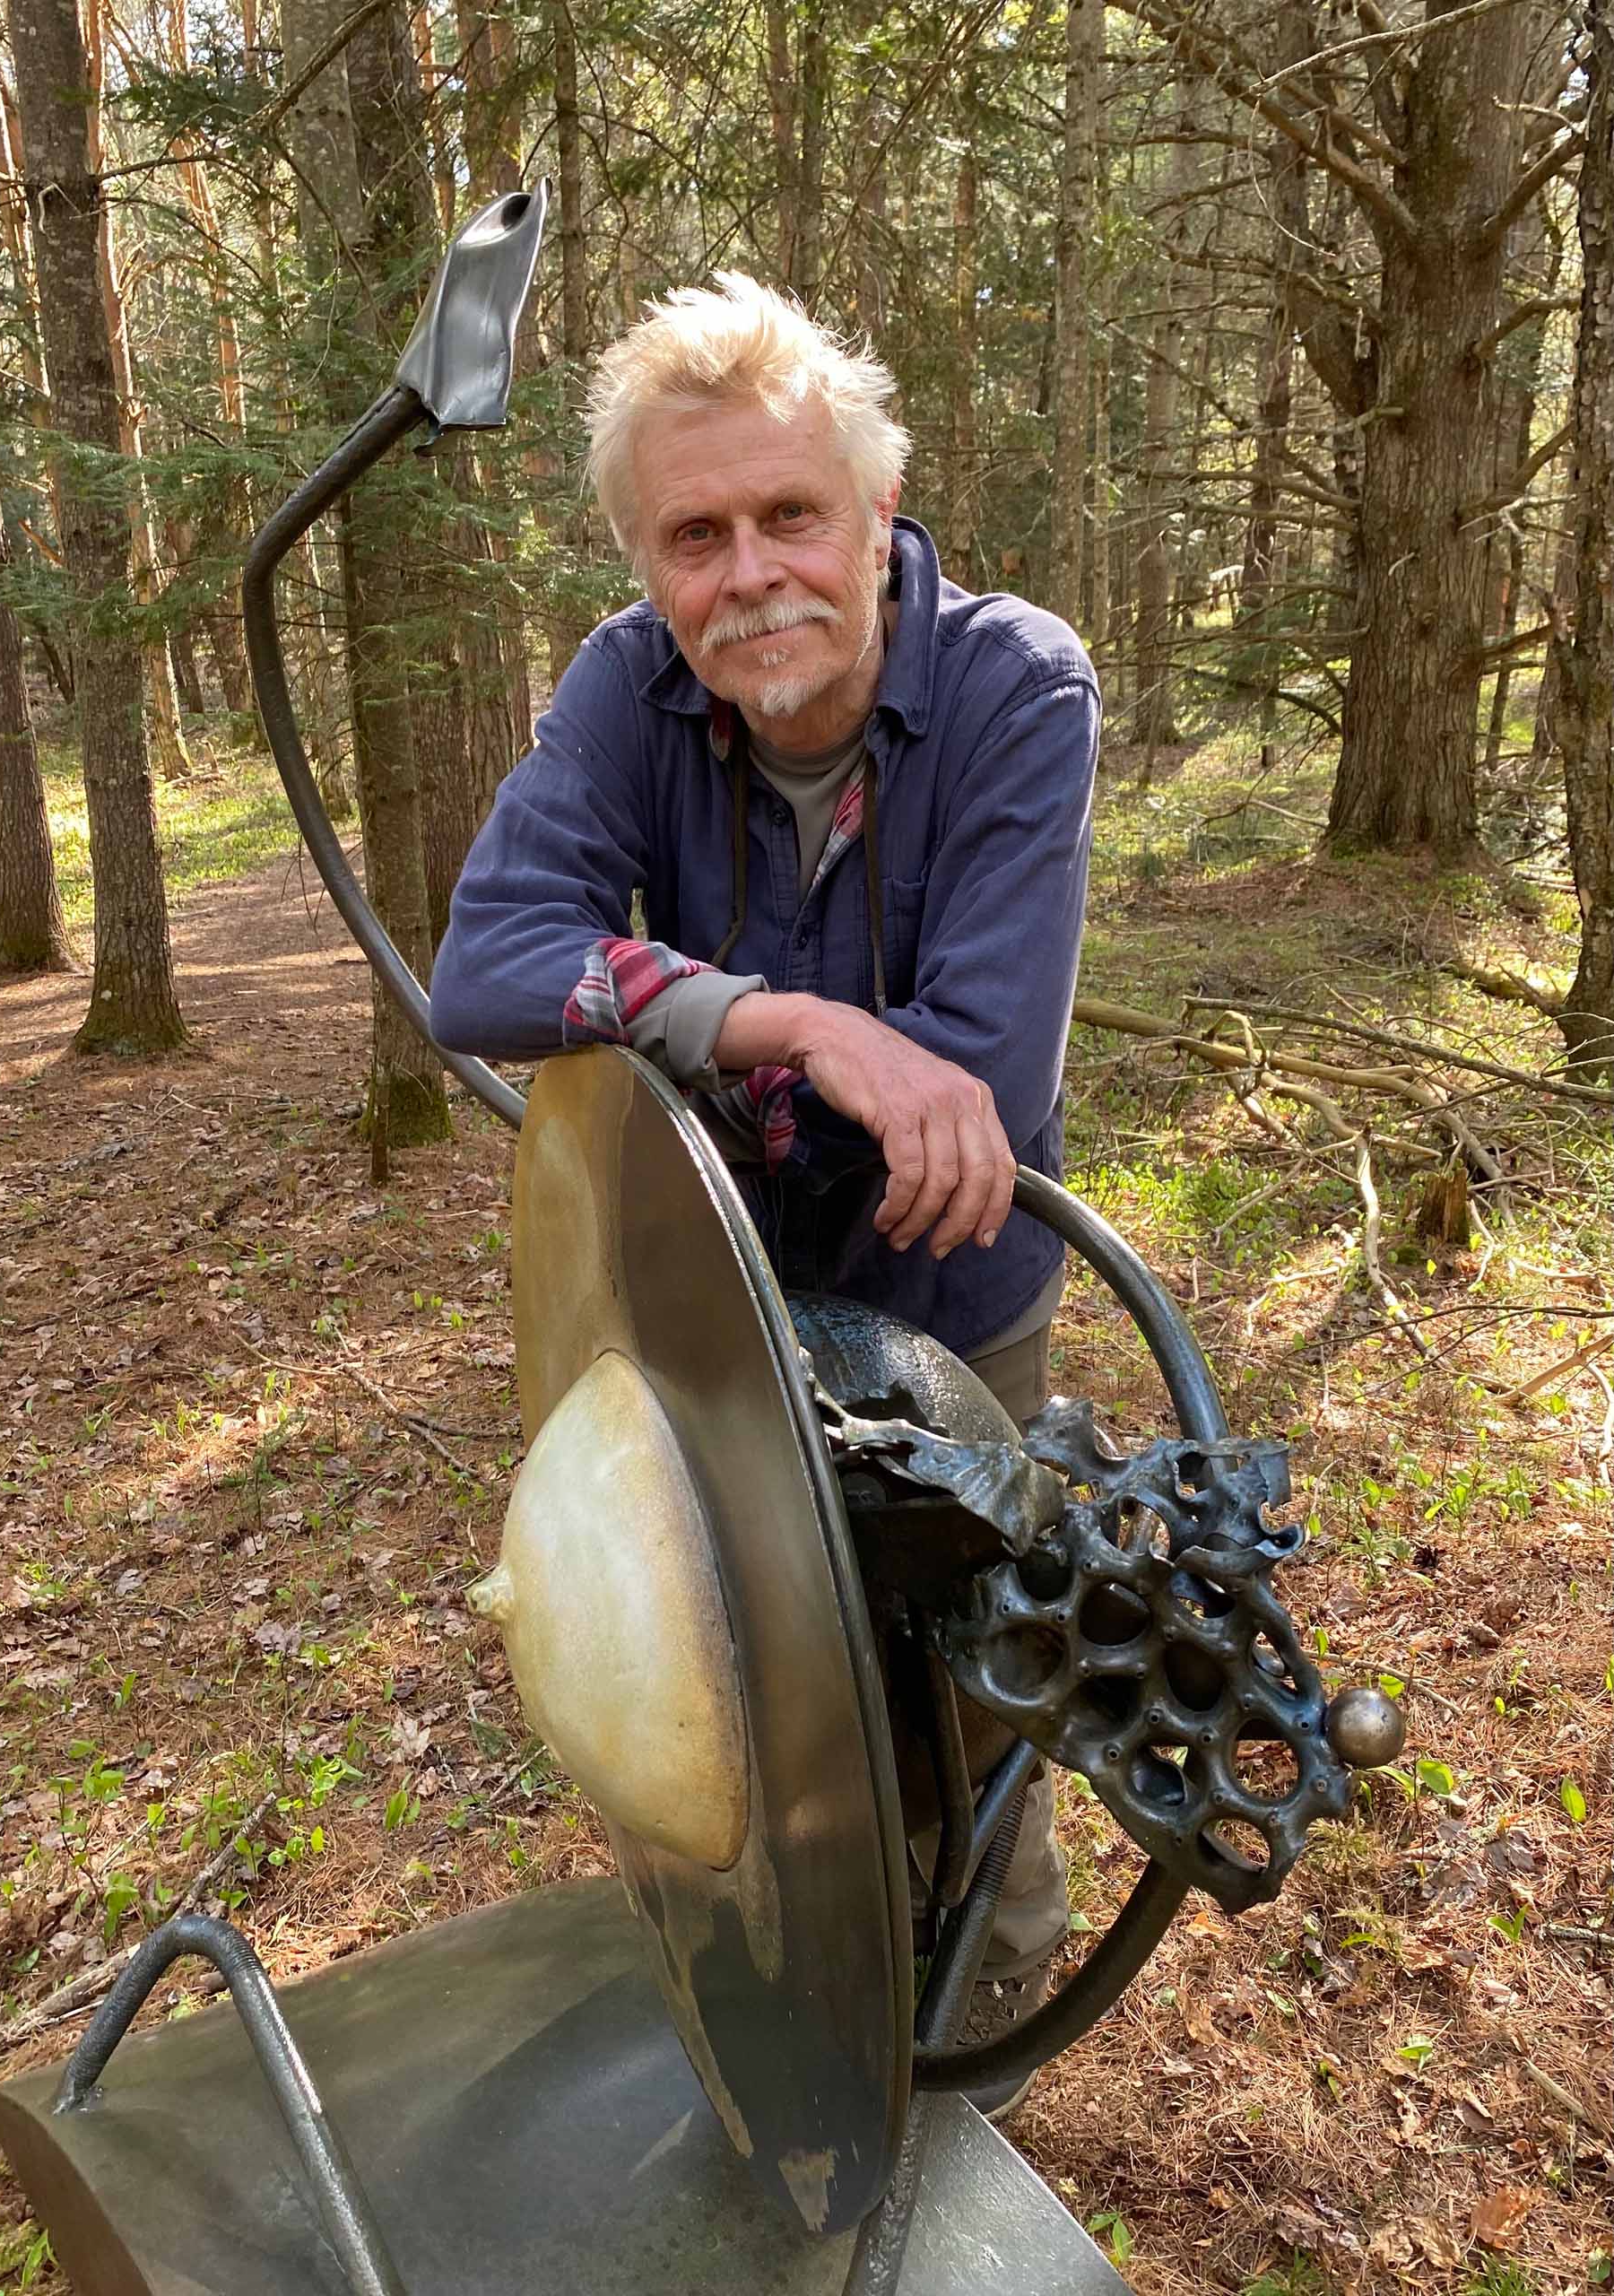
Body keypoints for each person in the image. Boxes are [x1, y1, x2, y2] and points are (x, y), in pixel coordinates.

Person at [430, 274, 1100, 2118]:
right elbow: (482, 964)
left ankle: (967, 2054)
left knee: (968, 1697)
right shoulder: (627, 684)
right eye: (693, 536)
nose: (749, 577)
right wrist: (786, 1017)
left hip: (949, 1316)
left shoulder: (1012, 691)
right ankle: (808, 2002)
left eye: (789, 515)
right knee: (753, 1690)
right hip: (717, 1319)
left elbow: (968, 1107)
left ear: (874, 514)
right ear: (649, 564)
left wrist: (705, 1050)